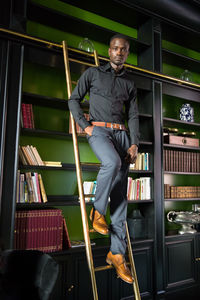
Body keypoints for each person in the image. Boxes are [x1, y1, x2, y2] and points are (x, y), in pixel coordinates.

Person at [68, 33, 139, 284]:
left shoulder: (130, 84)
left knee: (120, 197)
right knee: (112, 163)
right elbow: (73, 99)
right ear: (109, 51)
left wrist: (134, 143)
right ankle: (97, 212)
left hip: (122, 136)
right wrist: (85, 126)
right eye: (115, 48)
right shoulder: (92, 74)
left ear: (127, 53)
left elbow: (133, 116)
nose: (119, 52)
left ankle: (116, 254)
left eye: (124, 49)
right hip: (98, 130)